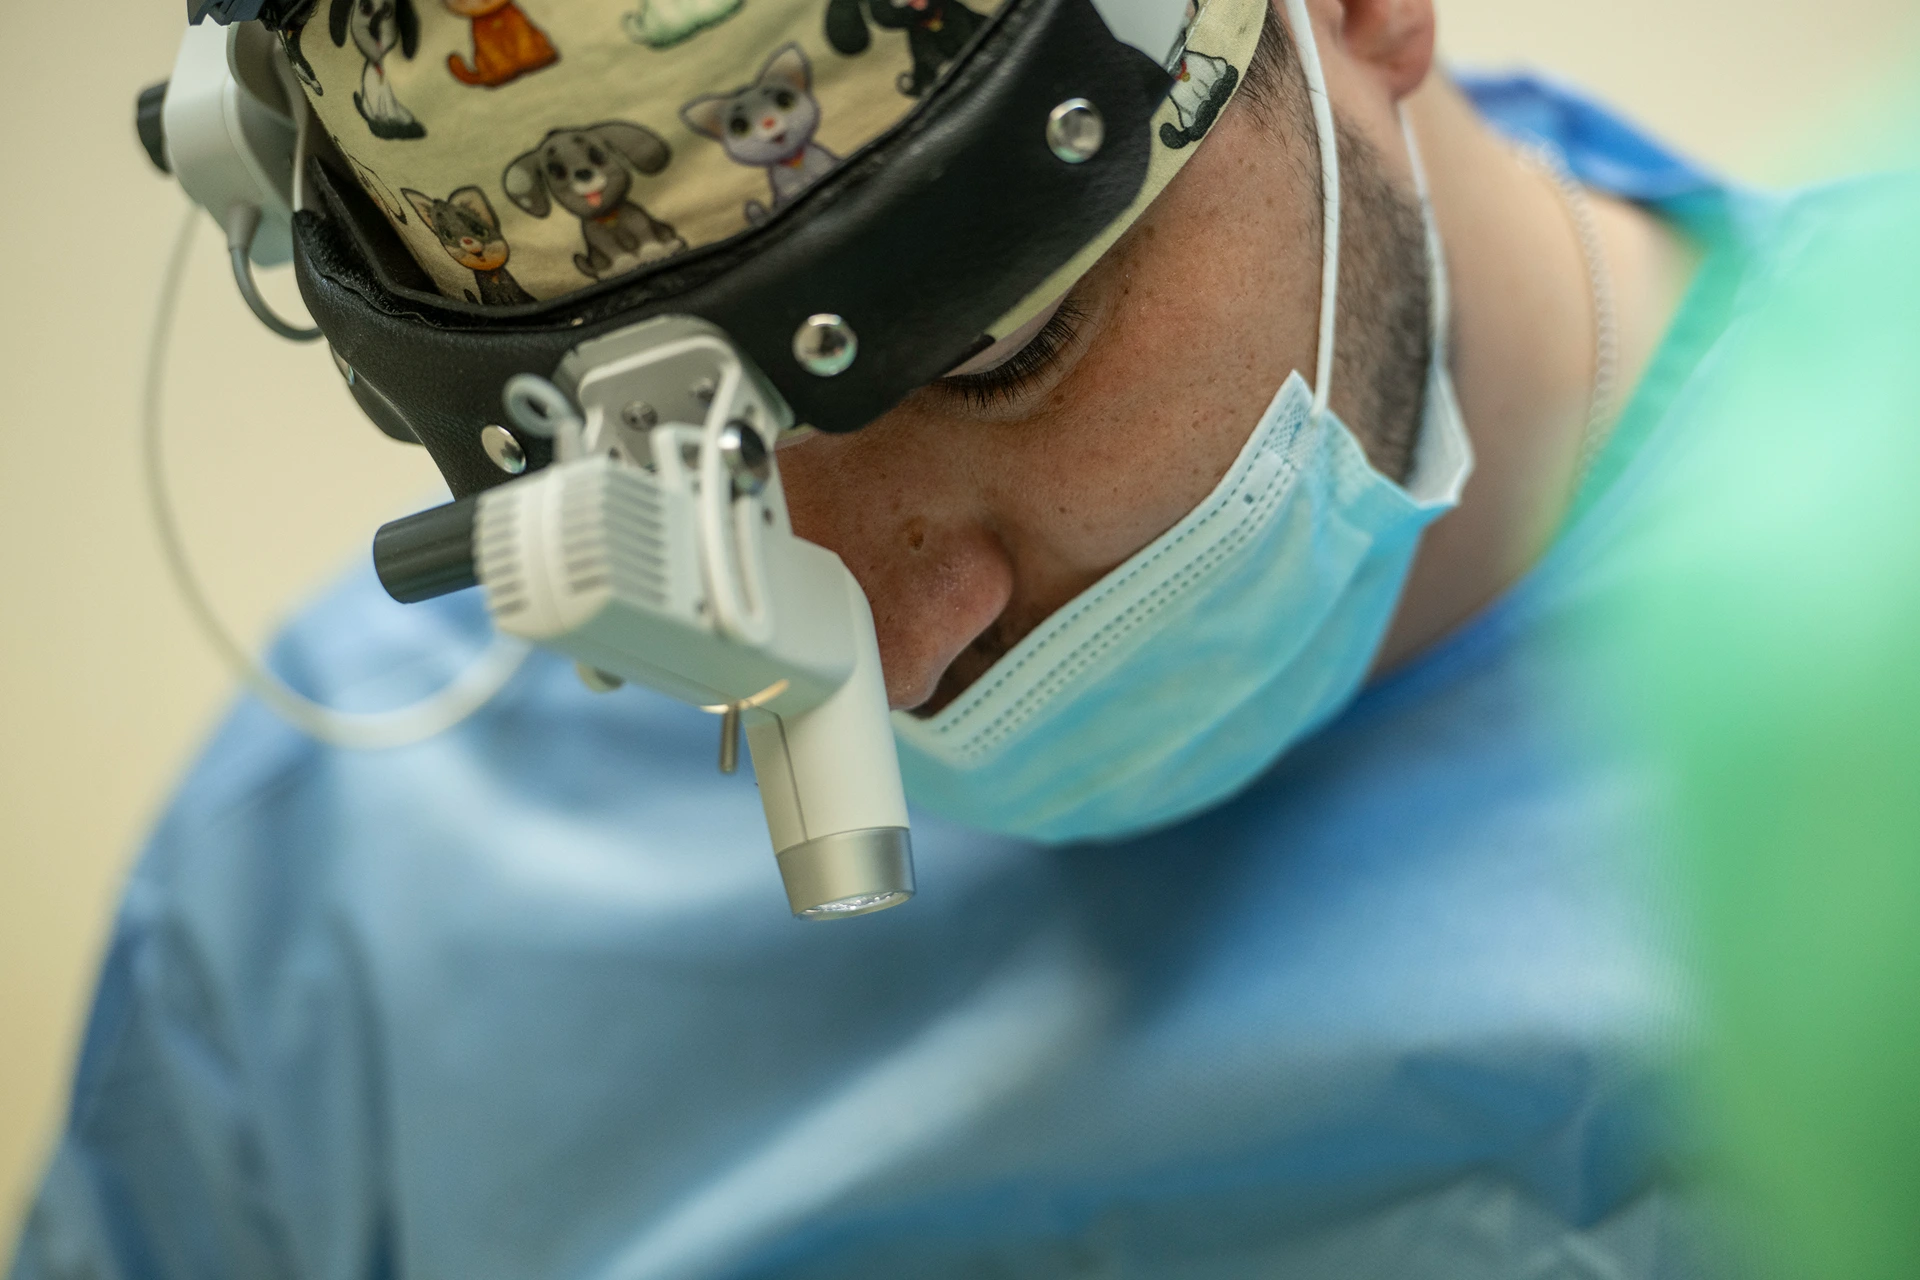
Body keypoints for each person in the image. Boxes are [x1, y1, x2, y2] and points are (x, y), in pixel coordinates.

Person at [13, 0, 1890, 1272]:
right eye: (677, 469)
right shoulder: (350, 895)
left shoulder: (1866, 612)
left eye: (1000, 347)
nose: (893, 656)